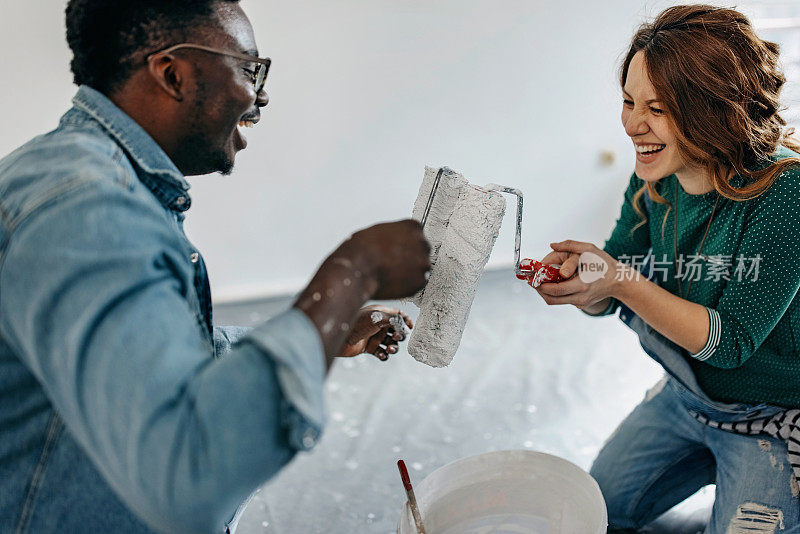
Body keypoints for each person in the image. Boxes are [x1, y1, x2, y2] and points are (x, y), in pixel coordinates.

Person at [0, 1, 431, 533]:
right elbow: (190, 474)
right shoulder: (88, 207)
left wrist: (326, 329)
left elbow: (149, 359)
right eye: (251, 69)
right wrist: (351, 272)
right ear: (173, 73)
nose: (261, 94)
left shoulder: (86, 179)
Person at [532, 5, 800, 532]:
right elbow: (617, 274)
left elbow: (729, 343)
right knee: (598, 511)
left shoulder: (786, 192)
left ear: (711, 111)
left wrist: (620, 281)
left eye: (655, 108)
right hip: (688, 395)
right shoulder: (656, 174)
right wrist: (588, 285)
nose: (632, 124)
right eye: (629, 102)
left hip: (770, 416)